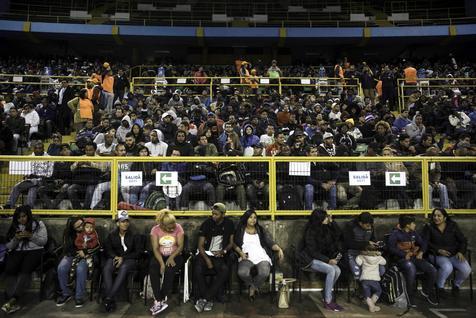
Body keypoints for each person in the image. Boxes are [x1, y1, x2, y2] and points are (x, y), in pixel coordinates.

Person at [1, 205, 47, 314]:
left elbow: (43, 241)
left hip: (35, 250)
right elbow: (9, 246)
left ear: (28, 216)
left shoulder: (39, 224)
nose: (21, 219)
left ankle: (14, 299)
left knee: (25, 269)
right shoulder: (15, 226)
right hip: (18, 251)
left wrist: (30, 236)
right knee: (10, 269)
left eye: (24, 216)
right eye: (18, 217)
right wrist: (16, 239)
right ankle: (10, 298)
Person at [299, 209, 344, 312]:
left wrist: (332, 221)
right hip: (308, 260)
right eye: (325, 217)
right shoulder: (310, 231)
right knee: (331, 270)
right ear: (319, 219)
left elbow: (339, 235)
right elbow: (312, 252)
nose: (327, 218)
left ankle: (325, 293)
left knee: (337, 270)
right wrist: (328, 260)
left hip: (320, 258)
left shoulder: (324, 227)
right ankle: (328, 301)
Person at [233, 210, 284, 301]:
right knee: (242, 272)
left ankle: (252, 288)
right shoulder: (240, 229)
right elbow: (234, 243)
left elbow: (270, 242)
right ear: (246, 218)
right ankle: (254, 286)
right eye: (250, 217)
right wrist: (240, 253)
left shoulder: (260, 229)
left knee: (264, 272)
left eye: (255, 217)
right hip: (246, 256)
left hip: (261, 256)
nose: (253, 220)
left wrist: (279, 249)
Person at [388, 214, 438, 306]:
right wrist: (403, 254)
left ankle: (426, 293)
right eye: (413, 223)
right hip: (401, 260)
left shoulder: (414, 233)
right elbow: (390, 248)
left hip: (414, 258)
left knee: (432, 270)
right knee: (411, 268)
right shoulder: (395, 234)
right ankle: (409, 296)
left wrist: (421, 252)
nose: (415, 225)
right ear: (407, 225)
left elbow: (423, 243)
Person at [194, 203, 235, 313]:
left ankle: (205, 299)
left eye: (216, 214)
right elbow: (200, 245)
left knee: (224, 270)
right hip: (205, 253)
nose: (213, 216)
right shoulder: (207, 223)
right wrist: (207, 260)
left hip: (219, 255)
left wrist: (224, 251)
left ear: (223, 214)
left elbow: (231, 243)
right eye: (212, 214)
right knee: (198, 269)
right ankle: (208, 298)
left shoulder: (229, 224)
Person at [421, 208, 472, 296]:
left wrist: (460, 252)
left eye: (439, 216)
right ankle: (439, 286)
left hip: (453, 254)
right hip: (436, 255)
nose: (436, 218)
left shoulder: (453, 226)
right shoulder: (429, 227)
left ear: (445, 218)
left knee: (466, 270)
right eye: (434, 216)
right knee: (447, 267)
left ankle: (456, 285)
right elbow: (425, 242)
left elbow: (463, 240)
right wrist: (438, 250)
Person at [102, 210, 139, 312]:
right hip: (115, 257)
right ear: (117, 223)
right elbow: (108, 249)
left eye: (127, 221)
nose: (125, 223)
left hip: (130, 259)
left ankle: (109, 297)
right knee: (107, 268)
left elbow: (137, 252)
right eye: (122, 221)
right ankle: (112, 300)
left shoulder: (134, 235)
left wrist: (123, 258)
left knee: (124, 267)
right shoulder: (111, 235)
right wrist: (115, 257)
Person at [149, 209, 185, 315]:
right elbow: (155, 248)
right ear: (162, 226)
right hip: (160, 255)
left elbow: (180, 246)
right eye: (170, 228)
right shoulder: (155, 230)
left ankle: (160, 299)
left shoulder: (178, 227)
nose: (173, 228)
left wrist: (171, 257)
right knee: (153, 268)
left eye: (174, 226)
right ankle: (158, 299)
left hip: (175, 255)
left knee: (169, 270)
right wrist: (161, 263)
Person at [56, 217, 89, 308]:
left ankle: (79, 296)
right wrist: (77, 252)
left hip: (85, 256)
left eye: (82, 224)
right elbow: (67, 248)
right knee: (61, 268)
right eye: (78, 227)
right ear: (73, 228)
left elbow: (95, 245)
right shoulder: (68, 233)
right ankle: (66, 293)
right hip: (72, 254)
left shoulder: (89, 228)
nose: (82, 227)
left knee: (80, 269)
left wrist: (85, 252)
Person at [343, 212, 384, 279]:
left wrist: (376, 244)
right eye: (367, 226)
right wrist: (366, 244)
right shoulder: (350, 226)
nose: (369, 227)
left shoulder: (370, 226)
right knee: (357, 273)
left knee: (381, 271)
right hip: (353, 253)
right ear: (360, 223)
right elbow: (348, 244)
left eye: (371, 225)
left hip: (367, 253)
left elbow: (372, 239)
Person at [355, 244, 386, 312]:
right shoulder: (379, 257)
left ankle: (371, 306)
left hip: (365, 279)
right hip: (374, 279)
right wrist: (379, 254)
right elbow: (384, 262)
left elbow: (358, 262)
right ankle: (372, 306)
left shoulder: (362, 257)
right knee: (379, 291)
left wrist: (360, 255)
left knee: (367, 294)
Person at [69, 217, 100, 286]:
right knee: (74, 263)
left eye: (91, 227)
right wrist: (81, 246)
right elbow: (76, 242)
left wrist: (88, 246)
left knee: (89, 264)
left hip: (89, 253)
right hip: (80, 252)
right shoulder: (82, 234)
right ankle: (71, 278)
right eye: (87, 227)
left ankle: (90, 277)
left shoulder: (94, 235)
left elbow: (95, 244)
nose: (89, 229)